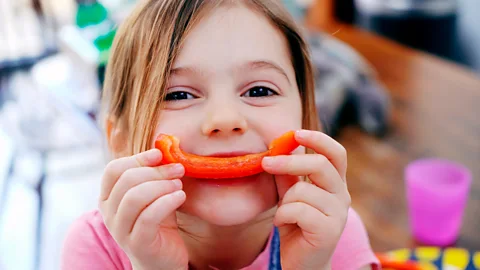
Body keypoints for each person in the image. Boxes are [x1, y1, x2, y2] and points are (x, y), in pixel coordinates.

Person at [61, 1, 380, 269]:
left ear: (307, 121)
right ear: (120, 142)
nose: (226, 119)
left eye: (259, 89)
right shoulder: (95, 248)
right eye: (178, 95)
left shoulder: (332, 233)